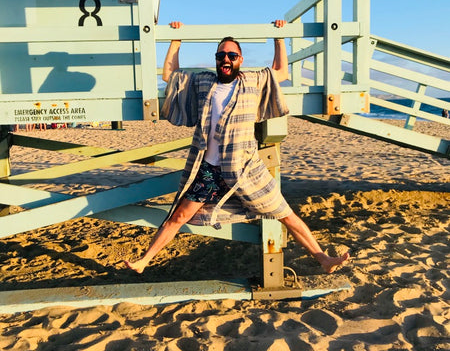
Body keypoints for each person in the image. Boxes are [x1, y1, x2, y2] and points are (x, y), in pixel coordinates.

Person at [125, 21, 350, 275]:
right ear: (216, 59)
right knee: (179, 216)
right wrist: (176, 40)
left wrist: (279, 38)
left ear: (240, 59)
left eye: (232, 55)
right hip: (209, 169)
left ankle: (323, 259)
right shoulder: (203, 83)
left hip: (246, 169)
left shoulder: (252, 81)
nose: (226, 59)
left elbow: (281, 72)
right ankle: (145, 260)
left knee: (284, 212)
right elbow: (170, 76)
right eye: (221, 55)